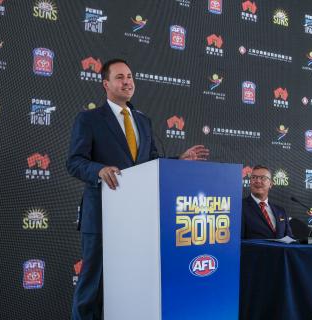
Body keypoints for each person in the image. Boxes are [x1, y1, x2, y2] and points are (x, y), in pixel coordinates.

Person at [67, 58, 209, 320]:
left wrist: (178, 160)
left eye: (130, 76)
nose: (127, 82)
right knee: (92, 287)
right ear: (106, 84)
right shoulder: (89, 119)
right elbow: (74, 162)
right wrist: (98, 170)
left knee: (130, 285)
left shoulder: (143, 121)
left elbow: (150, 162)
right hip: (101, 216)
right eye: (120, 77)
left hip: (137, 219)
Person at [241, 165, 293, 239]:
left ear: (271, 184)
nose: (258, 181)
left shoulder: (280, 211)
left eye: (263, 178)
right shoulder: (240, 207)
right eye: (254, 177)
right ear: (250, 182)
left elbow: (289, 238)